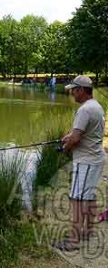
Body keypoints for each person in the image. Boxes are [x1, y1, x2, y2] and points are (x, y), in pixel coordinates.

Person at [52, 75, 106, 251]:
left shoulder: (84, 110)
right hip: (96, 158)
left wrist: (65, 149)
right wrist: (70, 137)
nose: (72, 93)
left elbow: (75, 139)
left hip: (86, 162)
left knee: (76, 199)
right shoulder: (96, 106)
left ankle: (73, 241)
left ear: (81, 90)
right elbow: (83, 133)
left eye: (74, 90)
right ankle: (87, 231)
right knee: (88, 197)